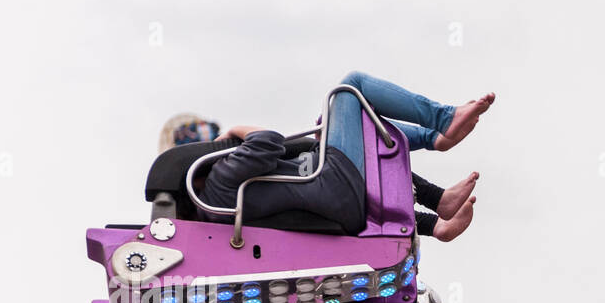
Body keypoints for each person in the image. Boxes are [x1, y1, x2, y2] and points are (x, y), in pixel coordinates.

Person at [198, 71, 493, 238]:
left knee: (330, 125)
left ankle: (436, 211)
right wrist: (235, 130)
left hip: (337, 204)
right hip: (333, 185)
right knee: (351, 89)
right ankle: (440, 125)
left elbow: (277, 152)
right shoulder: (220, 181)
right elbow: (268, 140)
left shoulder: (214, 205)